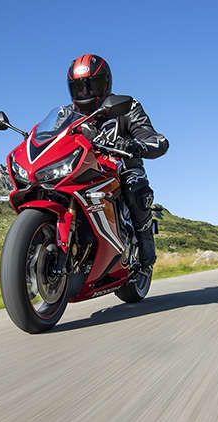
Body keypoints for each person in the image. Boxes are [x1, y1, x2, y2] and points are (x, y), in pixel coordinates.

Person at [67, 54, 169, 267]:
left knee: (134, 184)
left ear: (105, 84)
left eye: (91, 85)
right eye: (79, 88)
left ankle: (144, 242)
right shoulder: (67, 115)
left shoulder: (126, 106)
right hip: (83, 169)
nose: (85, 92)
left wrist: (136, 145)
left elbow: (152, 137)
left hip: (119, 167)